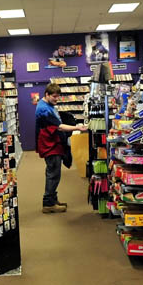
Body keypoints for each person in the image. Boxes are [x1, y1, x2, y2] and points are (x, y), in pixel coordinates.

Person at [35, 83, 86, 213]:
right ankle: (48, 203)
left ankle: (52, 199)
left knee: (54, 173)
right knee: (53, 173)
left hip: (52, 143)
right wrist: (77, 127)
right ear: (47, 94)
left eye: (58, 97)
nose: (56, 100)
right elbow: (59, 127)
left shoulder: (48, 105)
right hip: (49, 145)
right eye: (54, 97)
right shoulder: (44, 109)